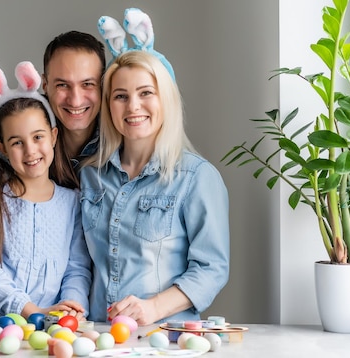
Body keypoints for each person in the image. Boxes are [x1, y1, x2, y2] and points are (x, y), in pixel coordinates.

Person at [81, 8, 229, 325]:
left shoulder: (197, 178)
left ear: (166, 98)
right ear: (109, 105)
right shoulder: (90, 176)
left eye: (146, 93)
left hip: (166, 338)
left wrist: (153, 308)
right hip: (97, 338)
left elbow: (212, 267)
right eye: (120, 96)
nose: (133, 106)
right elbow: (79, 263)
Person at [0, 31, 106, 319]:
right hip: (1, 320)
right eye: (62, 85)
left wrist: (71, 310)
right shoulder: (23, 112)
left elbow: (78, 267)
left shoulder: (119, 151)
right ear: (44, 85)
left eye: (88, 84)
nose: (76, 97)